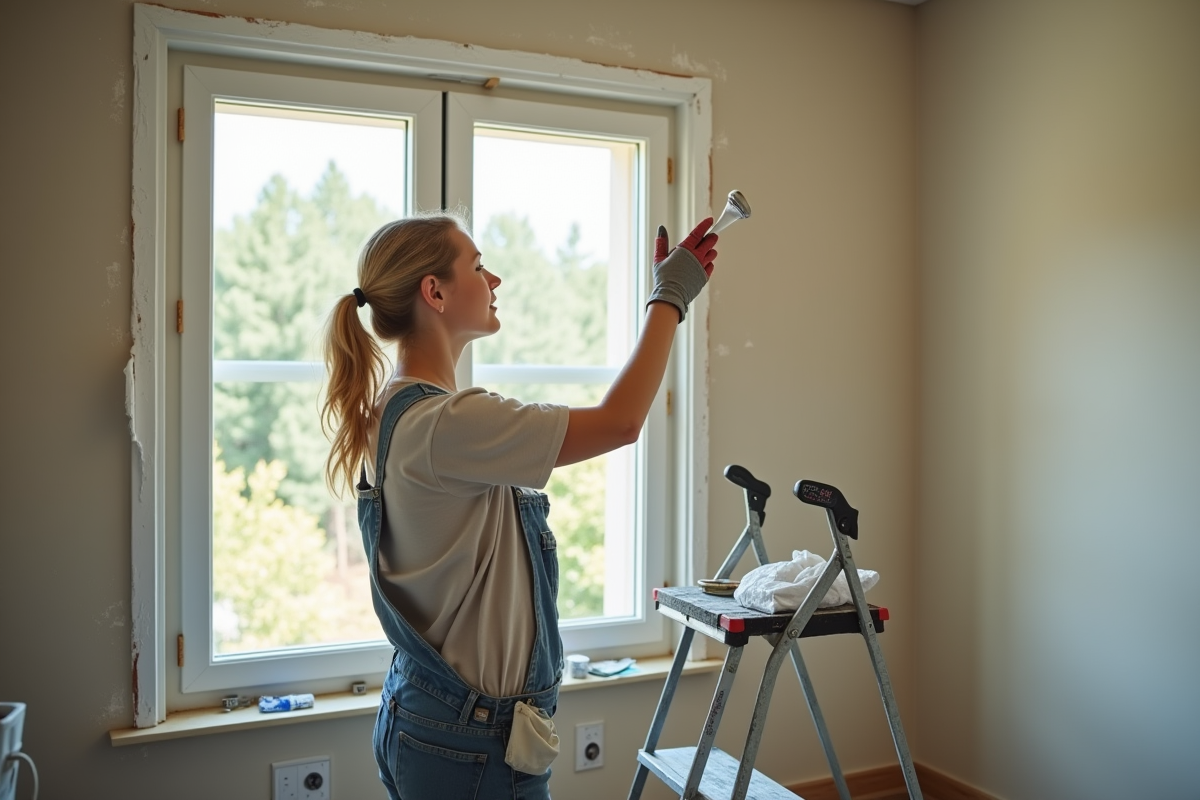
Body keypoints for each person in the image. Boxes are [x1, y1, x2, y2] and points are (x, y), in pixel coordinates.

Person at [322, 211, 718, 800]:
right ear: (434, 291)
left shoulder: (394, 410)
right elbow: (622, 423)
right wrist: (670, 299)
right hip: (469, 745)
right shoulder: (445, 423)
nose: (495, 280)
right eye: (479, 267)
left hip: (426, 715)